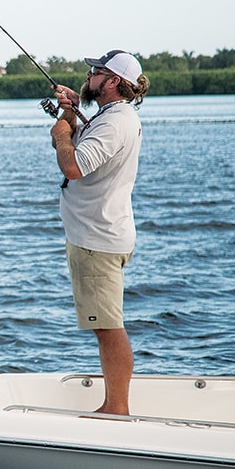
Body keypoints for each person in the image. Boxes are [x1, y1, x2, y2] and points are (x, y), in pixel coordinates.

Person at [50, 50, 150, 416]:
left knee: (108, 327)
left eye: (96, 72)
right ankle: (114, 404)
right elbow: (89, 150)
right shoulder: (112, 117)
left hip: (97, 241)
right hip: (97, 236)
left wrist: (62, 134)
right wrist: (72, 115)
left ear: (111, 82)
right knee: (105, 325)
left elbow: (74, 165)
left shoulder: (114, 123)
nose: (88, 75)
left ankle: (117, 408)